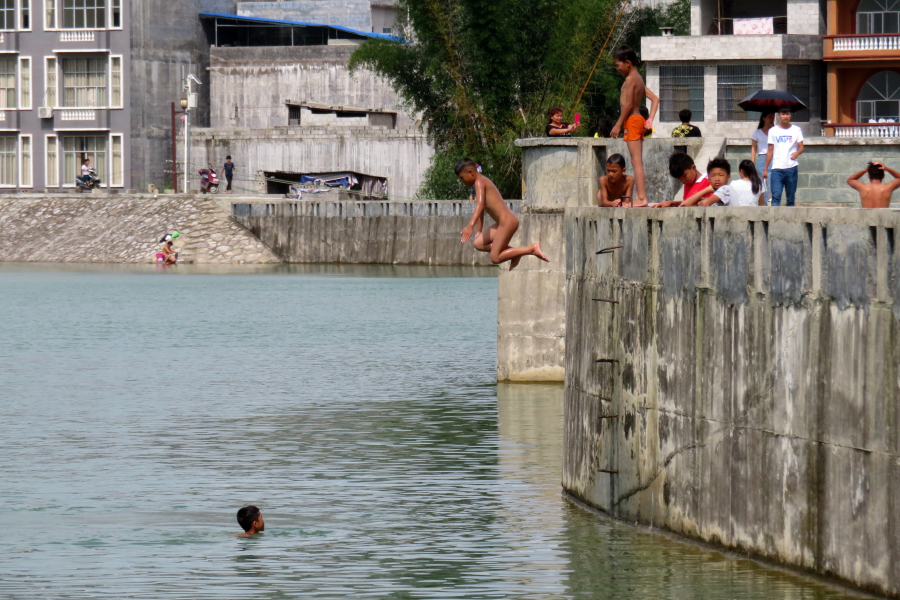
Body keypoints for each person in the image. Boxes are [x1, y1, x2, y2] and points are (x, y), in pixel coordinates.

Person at [457, 158, 549, 270]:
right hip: (503, 223)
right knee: (478, 243)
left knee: (495, 258)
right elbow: (480, 208)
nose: (462, 182)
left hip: (507, 222)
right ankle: (516, 253)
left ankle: (531, 249)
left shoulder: (480, 182)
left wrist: (470, 226)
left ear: (471, 172)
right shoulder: (479, 183)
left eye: (462, 178)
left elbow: (480, 205)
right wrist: (479, 231)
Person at [609, 46, 659, 207]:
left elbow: (629, 104)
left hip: (632, 121)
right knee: (636, 160)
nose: (617, 69)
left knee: (636, 161)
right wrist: (649, 119)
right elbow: (655, 99)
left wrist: (617, 124)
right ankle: (640, 197)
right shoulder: (638, 79)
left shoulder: (631, 79)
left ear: (628, 63)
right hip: (637, 121)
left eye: (618, 65)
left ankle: (642, 197)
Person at [763, 106, 804, 207]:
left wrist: (797, 153)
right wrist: (765, 169)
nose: (785, 116)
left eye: (787, 114)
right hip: (777, 168)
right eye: (783, 114)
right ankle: (775, 220)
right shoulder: (773, 131)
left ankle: (790, 221)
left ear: (790, 115)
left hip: (791, 167)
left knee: (790, 198)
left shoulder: (796, 130)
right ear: (779, 116)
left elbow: (801, 147)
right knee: (776, 197)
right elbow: (770, 150)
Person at [689, 157, 764, 207]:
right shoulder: (759, 184)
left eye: (720, 175)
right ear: (708, 178)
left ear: (728, 177)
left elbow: (704, 203)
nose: (717, 179)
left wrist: (708, 189)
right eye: (713, 175)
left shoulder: (728, 188)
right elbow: (761, 204)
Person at [751, 112, 775, 205]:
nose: (771, 119)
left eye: (773, 117)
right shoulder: (757, 133)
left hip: (774, 158)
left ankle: (774, 203)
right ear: (763, 118)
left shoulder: (775, 132)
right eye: (769, 117)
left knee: (774, 182)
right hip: (762, 159)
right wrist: (752, 163)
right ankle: (764, 204)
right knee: (763, 184)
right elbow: (753, 148)